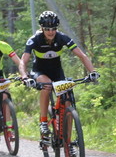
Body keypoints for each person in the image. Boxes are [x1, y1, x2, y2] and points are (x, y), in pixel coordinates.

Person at [19, 11, 98, 139]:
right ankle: (43, 122)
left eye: (54, 29)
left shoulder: (62, 38)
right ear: (42, 28)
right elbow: (23, 61)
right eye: (47, 29)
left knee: (68, 104)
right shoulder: (34, 40)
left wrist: (93, 72)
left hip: (57, 73)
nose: (51, 32)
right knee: (47, 85)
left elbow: (82, 56)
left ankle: (67, 141)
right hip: (39, 72)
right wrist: (24, 77)